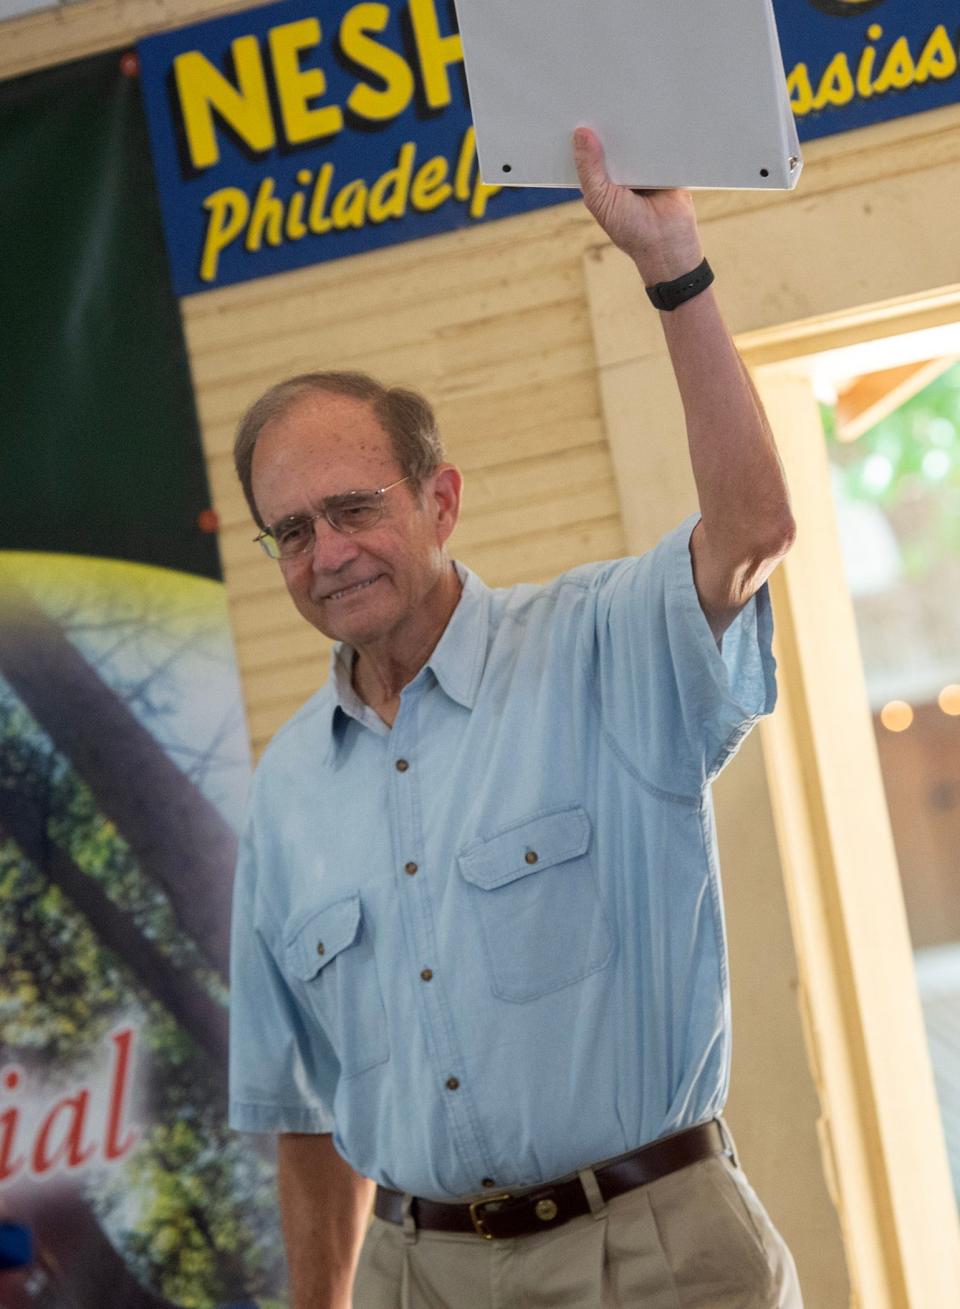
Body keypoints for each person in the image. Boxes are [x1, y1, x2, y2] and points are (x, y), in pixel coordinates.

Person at [228, 128, 803, 1308]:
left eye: (352, 508)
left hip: (652, 1257)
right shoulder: (287, 791)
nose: (326, 553)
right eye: (291, 531)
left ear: (441, 500)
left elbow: (750, 531)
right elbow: (301, 1108)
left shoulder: (604, 643)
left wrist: (674, 267)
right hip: (415, 1273)